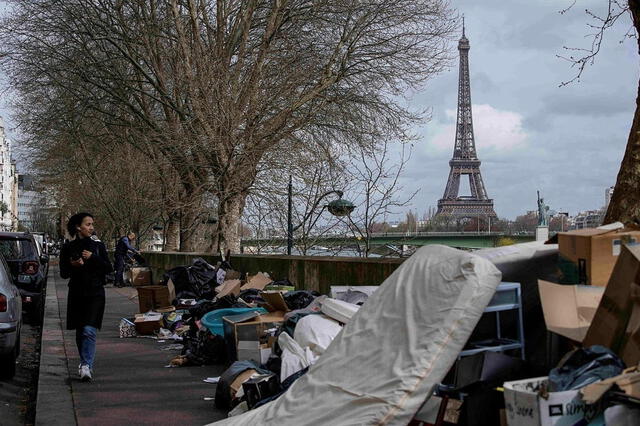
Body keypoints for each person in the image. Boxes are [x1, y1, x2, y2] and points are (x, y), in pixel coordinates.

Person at [59, 212, 113, 382]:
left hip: (95, 293)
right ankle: (84, 362)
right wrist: (72, 264)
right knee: (80, 330)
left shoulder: (98, 246)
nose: (91, 228)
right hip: (76, 293)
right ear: (78, 227)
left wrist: (93, 257)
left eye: (92, 224)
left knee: (89, 330)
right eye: (88, 224)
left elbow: (108, 268)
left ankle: (86, 365)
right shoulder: (68, 248)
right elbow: (63, 274)